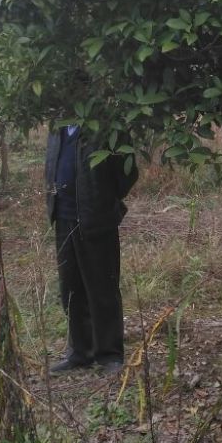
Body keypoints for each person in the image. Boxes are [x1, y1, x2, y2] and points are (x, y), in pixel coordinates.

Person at [44, 124, 138, 374]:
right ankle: (80, 352)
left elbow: (126, 174)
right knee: (71, 290)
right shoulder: (57, 129)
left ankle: (109, 355)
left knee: (102, 288)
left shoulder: (105, 127)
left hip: (96, 219)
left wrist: (103, 200)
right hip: (63, 218)